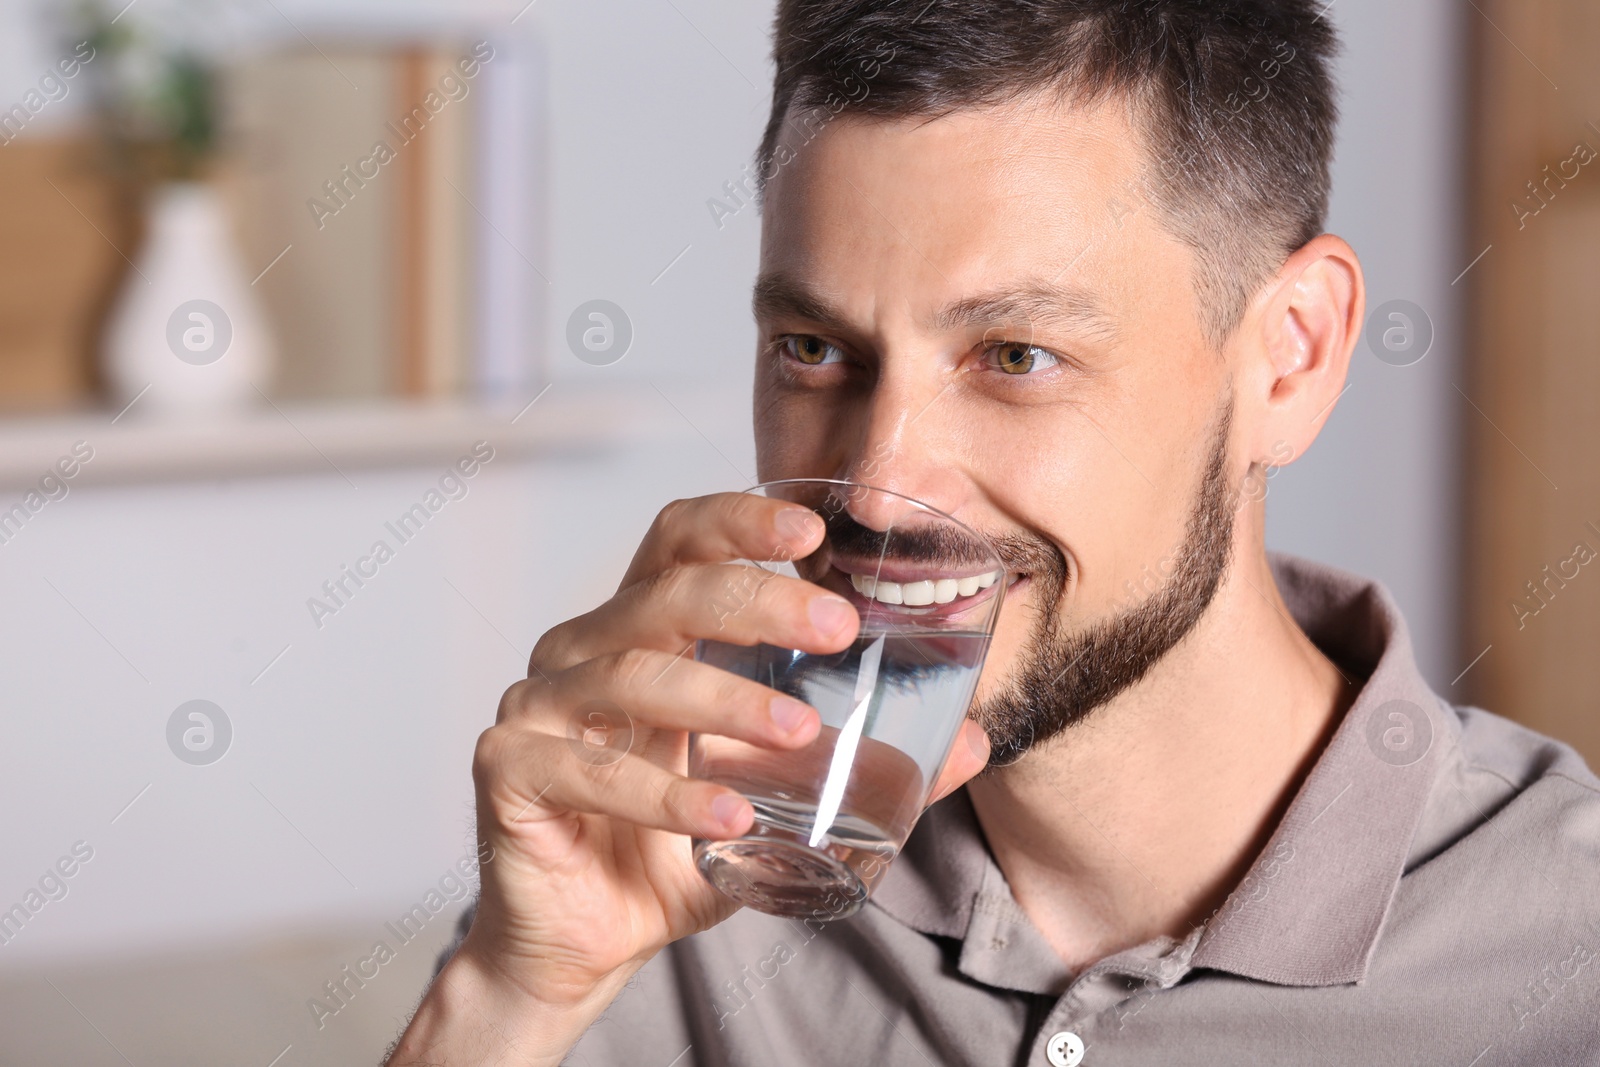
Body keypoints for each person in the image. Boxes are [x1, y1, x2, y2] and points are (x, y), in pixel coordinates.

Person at [387, 2, 1600, 1063]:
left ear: (1290, 358)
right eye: (815, 350)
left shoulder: (1564, 958)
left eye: (1015, 356)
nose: (871, 485)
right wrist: (506, 998)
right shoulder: (688, 861)